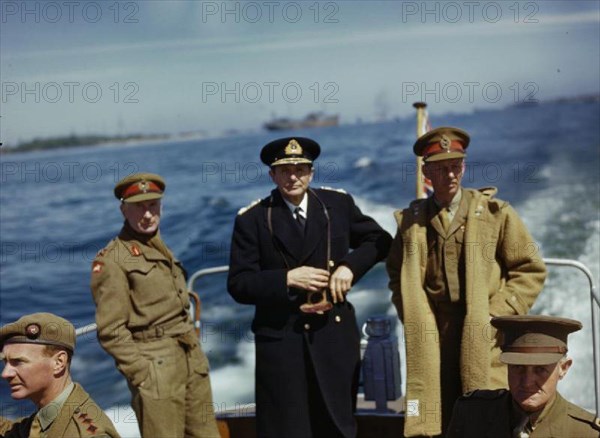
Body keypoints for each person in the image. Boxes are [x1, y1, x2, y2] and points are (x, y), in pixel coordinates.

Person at [386, 126, 547, 437]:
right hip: (433, 335)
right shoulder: (412, 221)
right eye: (442, 168)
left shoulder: (494, 213)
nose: (450, 175)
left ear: (464, 166)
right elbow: (396, 271)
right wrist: (409, 310)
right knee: (434, 412)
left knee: (488, 413)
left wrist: (496, 313)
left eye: (456, 166)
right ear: (426, 172)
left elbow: (530, 268)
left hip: (483, 333)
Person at [227, 137, 392, 438]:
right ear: (272, 175)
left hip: (333, 338)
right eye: (285, 170)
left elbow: (380, 241)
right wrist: (286, 279)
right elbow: (239, 284)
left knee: (338, 427)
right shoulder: (252, 220)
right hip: (281, 345)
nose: (293, 177)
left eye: (300, 169)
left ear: (311, 172)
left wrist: (349, 267)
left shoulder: (337, 205)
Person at [90, 173, 220, 438]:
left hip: (189, 356)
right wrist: (142, 374)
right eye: (138, 206)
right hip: (154, 365)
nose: (147, 214)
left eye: (152, 205)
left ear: (161, 206)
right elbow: (110, 330)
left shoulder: (158, 246)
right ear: (123, 209)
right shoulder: (113, 260)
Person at [447, 314, 600, 437]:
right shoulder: (471, 414)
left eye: (540, 370)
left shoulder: (585, 432)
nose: (527, 382)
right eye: (518, 367)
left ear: (564, 368)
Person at [0, 312, 120, 437]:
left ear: (59, 362)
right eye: (5, 363)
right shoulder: (44, 419)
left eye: (18, 362)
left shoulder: (87, 434)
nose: (5, 374)